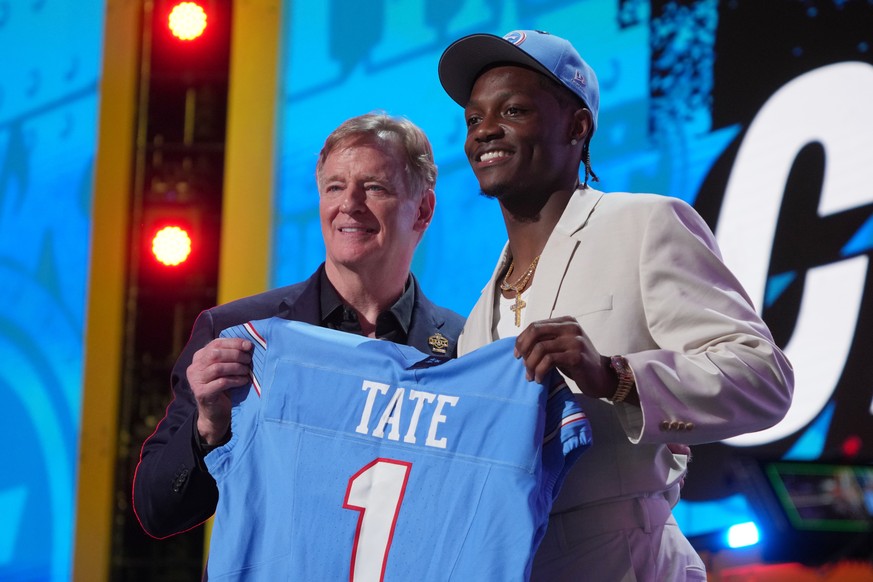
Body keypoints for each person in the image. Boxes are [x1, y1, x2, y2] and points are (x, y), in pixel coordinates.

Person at [438, 30, 794, 580]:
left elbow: (763, 378)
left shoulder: (645, 224)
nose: (485, 130)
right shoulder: (479, 315)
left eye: (513, 110)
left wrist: (615, 377)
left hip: (628, 558)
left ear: (577, 126)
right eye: (473, 119)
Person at [132, 112, 465, 538]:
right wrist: (208, 429)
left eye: (374, 187)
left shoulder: (462, 349)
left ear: (423, 209)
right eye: (335, 187)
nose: (349, 204)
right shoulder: (238, 332)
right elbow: (157, 512)